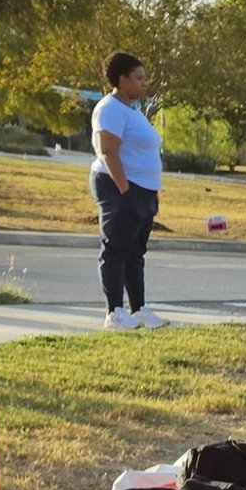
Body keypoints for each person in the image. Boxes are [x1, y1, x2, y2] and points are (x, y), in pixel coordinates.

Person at [89, 48, 165, 330]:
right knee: (116, 250)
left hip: (142, 190)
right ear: (121, 80)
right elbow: (107, 151)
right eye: (138, 77)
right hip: (118, 187)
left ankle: (139, 309)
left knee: (135, 252)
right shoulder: (109, 109)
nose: (144, 82)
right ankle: (114, 312)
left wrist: (150, 192)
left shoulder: (132, 110)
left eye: (145, 77)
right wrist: (124, 191)